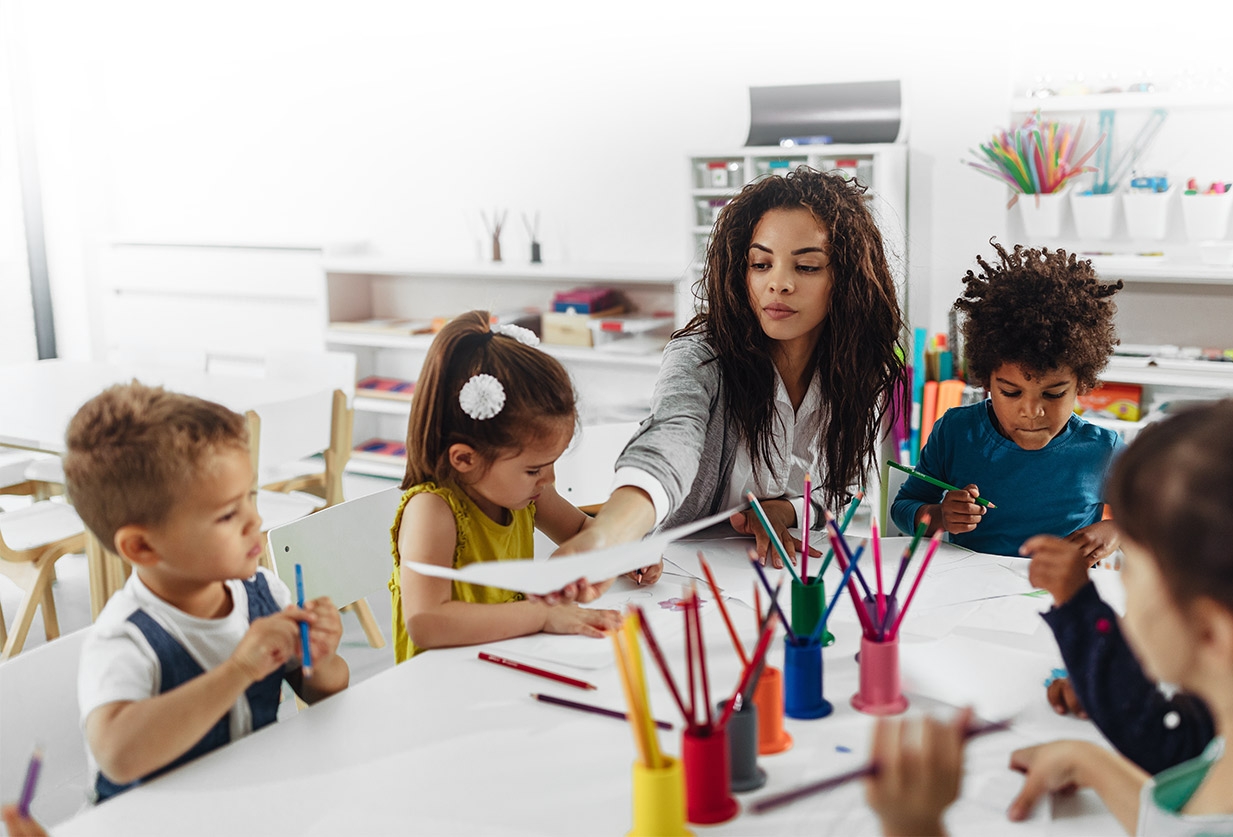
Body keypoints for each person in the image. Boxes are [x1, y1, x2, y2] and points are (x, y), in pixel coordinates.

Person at [867, 386, 1233, 835]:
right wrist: (1091, 763)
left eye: (1131, 569)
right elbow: (1173, 756)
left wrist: (916, 826)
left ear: (1211, 635)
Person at [555, 166, 905, 567]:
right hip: (678, 571)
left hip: (776, 574)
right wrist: (610, 534)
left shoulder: (856, 367)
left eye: (806, 267)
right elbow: (672, 438)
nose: (778, 283)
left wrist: (784, 511)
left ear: (845, 279)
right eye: (760, 264)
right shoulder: (702, 355)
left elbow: (839, 490)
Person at [63, 383, 349, 803]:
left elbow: (327, 690)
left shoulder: (263, 591)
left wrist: (317, 659)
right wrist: (239, 670)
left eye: (250, 497)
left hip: (245, 806)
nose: (255, 519)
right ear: (142, 547)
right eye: (228, 513)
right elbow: (118, 756)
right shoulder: (125, 638)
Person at [1024, 370, 1233, 775]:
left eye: (1129, 572)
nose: (1122, 591)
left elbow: (1163, 742)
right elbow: (1173, 741)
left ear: (1212, 632)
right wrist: (1107, 686)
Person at [390, 310, 624, 662]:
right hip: (443, 684)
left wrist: (627, 552)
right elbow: (427, 621)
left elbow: (581, 531)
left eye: (551, 465)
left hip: (510, 661)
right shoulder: (432, 511)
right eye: (534, 469)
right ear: (465, 459)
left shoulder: (528, 494)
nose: (549, 480)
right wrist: (543, 616)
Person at [891, 241, 1125, 559]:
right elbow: (904, 508)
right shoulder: (955, 433)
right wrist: (940, 516)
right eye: (1011, 392)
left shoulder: (1103, 450)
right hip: (968, 592)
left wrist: (1115, 530)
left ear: (1081, 383)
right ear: (986, 380)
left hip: (1057, 594)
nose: (1031, 411)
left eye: (1053, 394)